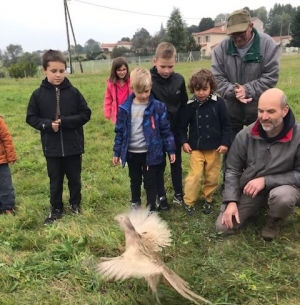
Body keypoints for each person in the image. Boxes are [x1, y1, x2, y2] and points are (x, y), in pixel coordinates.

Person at [216, 88, 300, 241]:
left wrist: (266, 181)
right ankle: (259, 205)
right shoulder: (245, 135)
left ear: (285, 110)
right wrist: (231, 201)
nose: (264, 117)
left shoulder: (298, 136)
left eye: (270, 111)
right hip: (252, 189)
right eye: (260, 111)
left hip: (285, 188)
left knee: (283, 197)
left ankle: (275, 219)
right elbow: (232, 170)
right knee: (223, 227)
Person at [26, 49, 91, 225]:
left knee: (75, 178)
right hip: (52, 148)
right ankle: (56, 208)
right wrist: (47, 124)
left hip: (73, 146)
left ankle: (75, 204)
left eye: (61, 71)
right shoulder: (38, 95)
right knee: (55, 180)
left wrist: (66, 121)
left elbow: (86, 114)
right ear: (45, 70)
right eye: (54, 71)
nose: (58, 75)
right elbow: (31, 118)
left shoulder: (74, 92)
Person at [113, 67, 176, 213]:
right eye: (139, 91)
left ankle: (151, 207)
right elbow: (120, 132)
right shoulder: (125, 109)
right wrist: (117, 152)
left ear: (151, 87)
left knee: (150, 181)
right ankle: (135, 202)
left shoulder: (158, 108)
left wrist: (171, 149)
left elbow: (165, 130)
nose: (143, 95)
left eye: (146, 91)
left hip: (150, 154)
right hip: (132, 153)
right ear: (132, 88)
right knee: (134, 180)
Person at [211, 9, 280, 140]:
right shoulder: (221, 49)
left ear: (251, 26)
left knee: (259, 154)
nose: (237, 37)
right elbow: (216, 77)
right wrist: (234, 91)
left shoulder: (268, 45)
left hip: (259, 112)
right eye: (233, 34)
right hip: (230, 113)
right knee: (231, 156)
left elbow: (270, 76)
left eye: (241, 32)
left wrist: (247, 90)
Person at [178, 69, 231, 216]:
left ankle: (208, 198)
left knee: (212, 175)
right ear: (193, 89)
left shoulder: (219, 103)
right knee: (195, 175)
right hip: (196, 148)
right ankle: (188, 201)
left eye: (204, 89)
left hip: (215, 148)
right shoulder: (190, 105)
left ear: (211, 87)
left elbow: (227, 125)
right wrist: (184, 142)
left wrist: (225, 143)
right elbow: (181, 127)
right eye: (197, 89)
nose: (201, 93)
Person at [150, 42, 188, 210]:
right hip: (156, 132)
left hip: (175, 131)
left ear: (175, 62)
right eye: (163, 66)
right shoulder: (148, 81)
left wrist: (183, 129)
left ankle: (179, 193)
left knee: (176, 163)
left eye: (170, 66)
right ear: (154, 61)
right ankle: (161, 195)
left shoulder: (179, 80)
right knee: (159, 164)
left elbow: (184, 104)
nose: (166, 71)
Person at [104, 57, 132, 124]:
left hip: (131, 115)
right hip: (117, 115)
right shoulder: (111, 84)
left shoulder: (132, 81)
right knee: (120, 133)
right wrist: (107, 112)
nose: (122, 72)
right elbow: (108, 99)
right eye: (119, 70)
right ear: (114, 71)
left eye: (124, 69)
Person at [0, 116, 17, 215]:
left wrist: (11, 156)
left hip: (1, 161)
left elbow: (6, 137)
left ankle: (7, 207)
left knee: (5, 185)